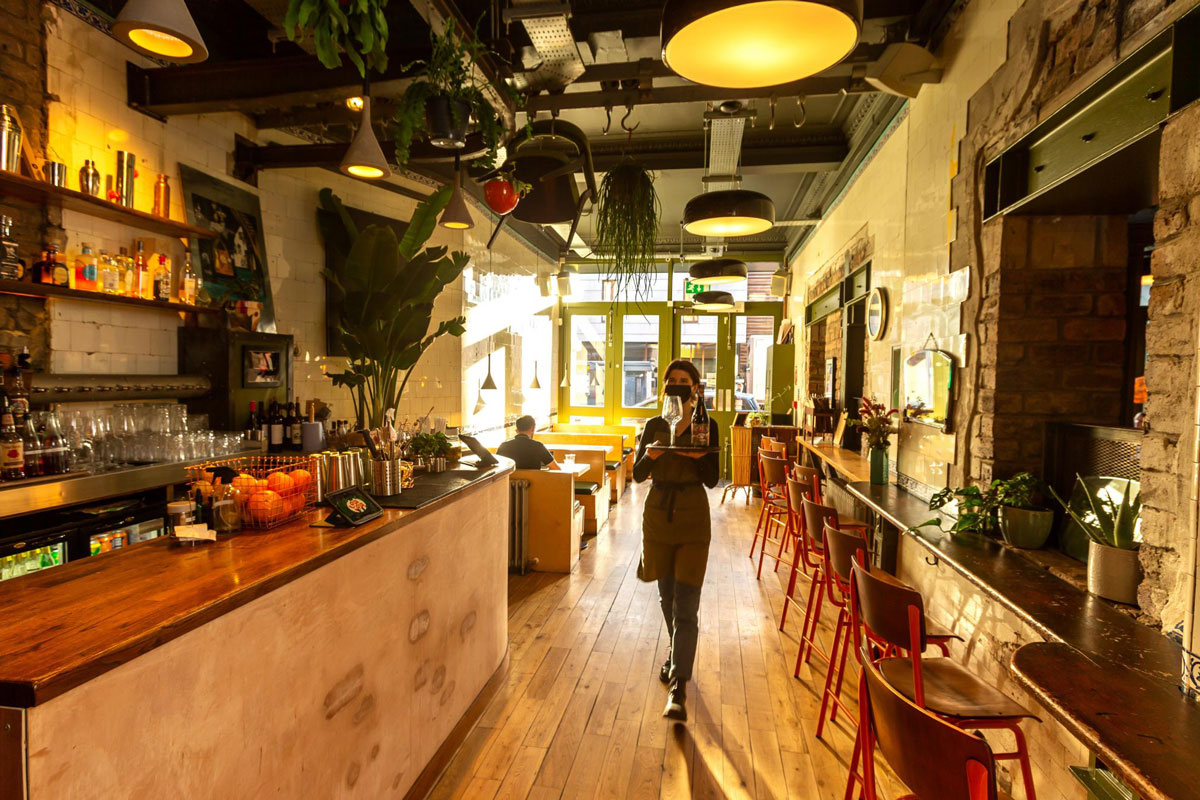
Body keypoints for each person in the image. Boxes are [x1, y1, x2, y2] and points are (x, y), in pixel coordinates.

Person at [633, 359, 720, 721]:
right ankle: (675, 652)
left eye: (685, 381)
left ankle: (678, 686)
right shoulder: (653, 425)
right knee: (667, 596)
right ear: (664, 385)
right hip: (657, 515)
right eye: (672, 380)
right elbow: (638, 474)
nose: (678, 385)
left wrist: (694, 456)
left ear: (696, 388)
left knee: (686, 602)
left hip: (693, 515)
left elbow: (713, 478)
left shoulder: (707, 426)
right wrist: (652, 453)